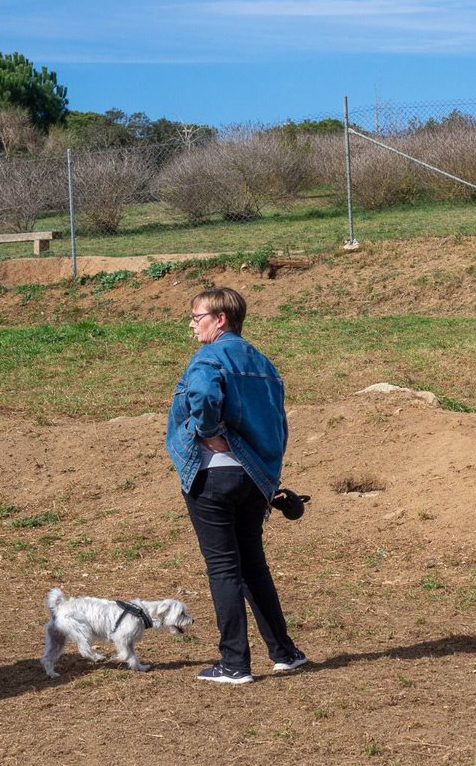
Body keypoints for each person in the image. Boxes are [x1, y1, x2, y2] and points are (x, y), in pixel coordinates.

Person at [166, 287, 305, 683]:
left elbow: (204, 394)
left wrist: (207, 430)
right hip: (253, 478)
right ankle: (284, 652)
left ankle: (234, 663)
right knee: (252, 566)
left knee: (224, 568)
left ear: (220, 319)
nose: (192, 325)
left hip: (213, 475)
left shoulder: (209, 357)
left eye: (197, 317)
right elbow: (278, 423)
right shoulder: (262, 362)